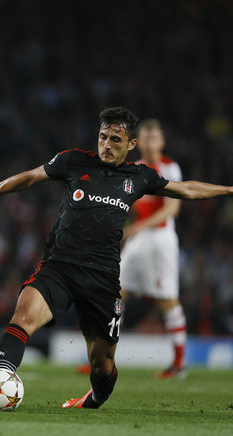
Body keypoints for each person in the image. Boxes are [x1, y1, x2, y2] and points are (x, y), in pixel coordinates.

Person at [0, 107, 233, 409]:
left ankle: (95, 397)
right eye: (103, 137)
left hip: (102, 278)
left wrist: (228, 190)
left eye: (116, 139)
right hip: (59, 267)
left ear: (131, 144)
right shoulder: (73, 161)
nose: (106, 144)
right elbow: (29, 178)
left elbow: (187, 190)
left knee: (102, 364)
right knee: (23, 317)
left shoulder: (140, 176)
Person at [77, 119, 188, 379]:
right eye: (146, 138)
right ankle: (101, 359)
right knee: (116, 295)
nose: (150, 143)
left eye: (154, 137)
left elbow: (171, 209)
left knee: (167, 300)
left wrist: (137, 228)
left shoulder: (169, 167)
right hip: (138, 241)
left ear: (161, 142)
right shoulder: (135, 168)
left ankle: (178, 365)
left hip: (160, 240)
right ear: (137, 142)